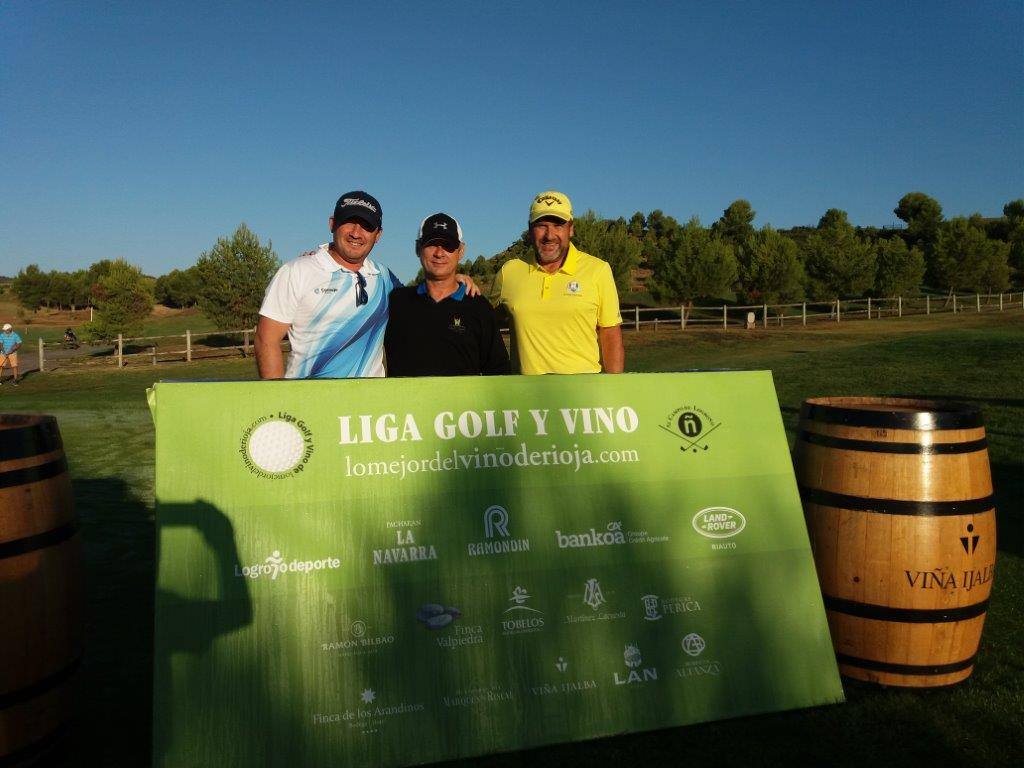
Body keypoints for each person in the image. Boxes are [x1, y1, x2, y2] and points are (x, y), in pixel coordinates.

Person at [255, 191, 402, 379]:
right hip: (310, 402)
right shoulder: (297, 271)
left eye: (367, 226)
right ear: (332, 224)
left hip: (369, 403)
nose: (356, 233)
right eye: (349, 221)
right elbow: (266, 339)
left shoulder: (385, 277)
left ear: (378, 235)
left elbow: (422, 301)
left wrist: (453, 280)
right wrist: (277, 399)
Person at [491, 190, 624, 374]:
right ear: (530, 230)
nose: (549, 235)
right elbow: (482, 322)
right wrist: (457, 284)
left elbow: (610, 333)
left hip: (583, 396)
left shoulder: (598, 270)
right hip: (525, 397)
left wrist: (614, 392)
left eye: (558, 225)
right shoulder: (509, 272)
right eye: (541, 225)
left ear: (571, 228)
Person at [384, 213, 510, 377]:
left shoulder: (479, 308)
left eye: (448, 246)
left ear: (461, 251)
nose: (439, 253)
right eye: (431, 244)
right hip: (405, 402)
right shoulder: (396, 301)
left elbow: (498, 372)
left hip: (462, 403)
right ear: (417, 248)